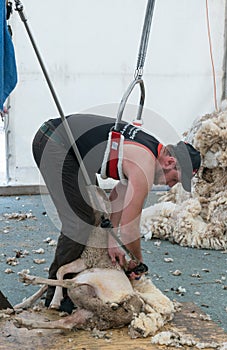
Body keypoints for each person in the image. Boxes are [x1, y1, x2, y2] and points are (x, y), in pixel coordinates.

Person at [32, 113, 201, 309]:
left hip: (70, 149)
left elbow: (117, 197)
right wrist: (138, 263)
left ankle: (76, 287)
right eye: (175, 179)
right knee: (79, 222)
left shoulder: (152, 151)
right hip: (53, 141)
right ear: (170, 162)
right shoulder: (144, 165)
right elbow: (130, 228)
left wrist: (112, 239)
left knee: (95, 214)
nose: (172, 185)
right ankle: (56, 294)